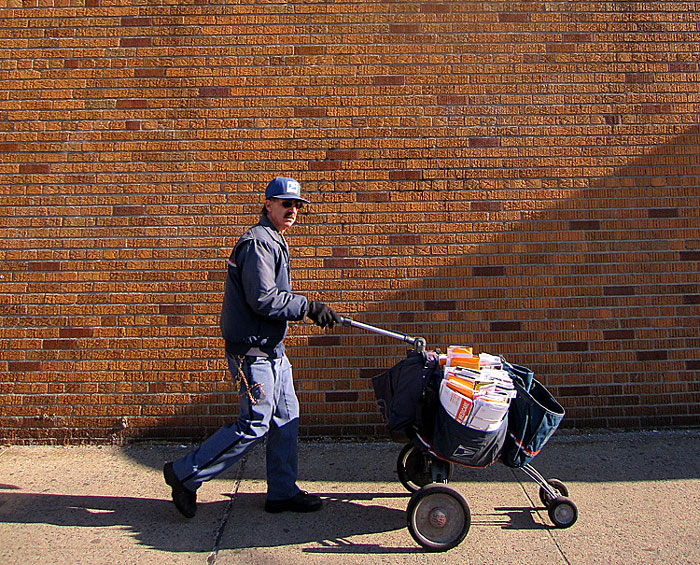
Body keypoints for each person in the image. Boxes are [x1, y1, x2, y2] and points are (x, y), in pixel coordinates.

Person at [163, 176, 341, 518]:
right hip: (252, 353)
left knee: (286, 418)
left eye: (297, 205)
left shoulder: (273, 239)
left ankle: (282, 492)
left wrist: (307, 308)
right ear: (268, 204)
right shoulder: (258, 243)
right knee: (254, 424)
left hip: (273, 350)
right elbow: (263, 299)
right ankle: (184, 474)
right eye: (285, 203)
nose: (292, 210)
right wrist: (307, 307)